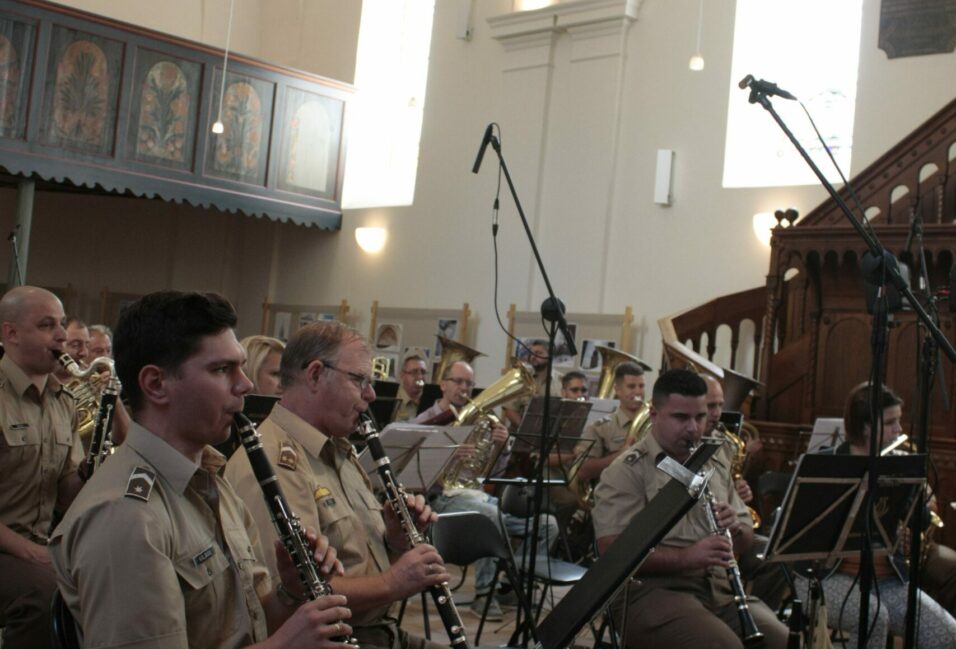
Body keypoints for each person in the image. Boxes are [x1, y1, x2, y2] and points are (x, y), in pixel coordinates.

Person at [50, 291, 353, 649]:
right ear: (156, 384)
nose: (246, 384)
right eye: (222, 370)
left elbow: (244, 629)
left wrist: (290, 593)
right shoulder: (126, 517)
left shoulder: (211, 483)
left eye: (240, 366)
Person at [227, 321, 448, 649]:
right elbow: (297, 595)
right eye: (359, 380)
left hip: (380, 632)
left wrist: (396, 543)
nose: (371, 395)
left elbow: (355, 562)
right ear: (315, 375)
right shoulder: (272, 464)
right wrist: (393, 583)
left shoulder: (341, 451)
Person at [592, 369, 788, 649]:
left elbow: (743, 541)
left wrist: (737, 529)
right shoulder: (628, 469)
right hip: (650, 593)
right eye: (680, 417)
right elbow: (611, 550)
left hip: (717, 590)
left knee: (785, 643)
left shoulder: (715, 461)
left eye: (700, 416)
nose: (693, 428)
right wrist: (686, 558)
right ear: (654, 414)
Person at [793, 382, 956, 649]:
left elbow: (922, 523)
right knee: (872, 616)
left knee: (948, 634)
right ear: (866, 427)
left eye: (899, 421)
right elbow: (799, 531)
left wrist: (914, 490)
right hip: (826, 578)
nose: (899, 429)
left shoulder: (897, 464)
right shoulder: (826, 464)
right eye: (891, 422)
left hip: (887, 580)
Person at [415, 360, 559, 620]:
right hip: (440, 502)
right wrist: (446, 454)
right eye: (458, 381)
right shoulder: (426, 421)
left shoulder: (482, 421)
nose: (464, 388)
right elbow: (414, 474)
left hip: (476, 498)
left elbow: (491, 475)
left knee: (547, 525)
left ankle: (507, 585)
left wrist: (501, 448)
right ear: (443, 384)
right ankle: (484, 594)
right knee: (488, 516)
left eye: (469, 383)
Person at [0, 286, 85, 649]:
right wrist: (29, 551)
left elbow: (66, 495)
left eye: (62, 324)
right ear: (11, 333)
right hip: (11, 548)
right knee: (45, 593)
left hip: (39, 545)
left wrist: (91, 473)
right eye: (47, 325)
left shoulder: (62, 401)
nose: (62, 336)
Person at [700, 373, 789, 611]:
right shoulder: (681, 441)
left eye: (720, 405)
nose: (718, 413)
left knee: (776, 555)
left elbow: (727, 485)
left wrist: (738, 493)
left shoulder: (726, 442)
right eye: (711, 406)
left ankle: (755, 611)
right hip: (701, 534)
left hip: (730, 528)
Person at [574, 361, 646, 483]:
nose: (638, 392)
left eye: (641, 386)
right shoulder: (600, 427)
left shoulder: (655, 422)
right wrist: (619, 456)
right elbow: (582, 470)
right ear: (617, 390)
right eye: (631, 386)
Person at [501, 340, 562, 429]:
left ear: (550, 356)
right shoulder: (521, 378)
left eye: (538, 353)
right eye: (531, 353)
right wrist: (526, 430)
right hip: (522, 435)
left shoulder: (562, 381)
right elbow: (509, 409)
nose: (533, 357)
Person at [393, 352, 428, 422]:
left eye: (423, 372)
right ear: (402, 375)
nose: (420, 377)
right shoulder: (392, 398)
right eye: (414, 372)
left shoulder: (429, 402)